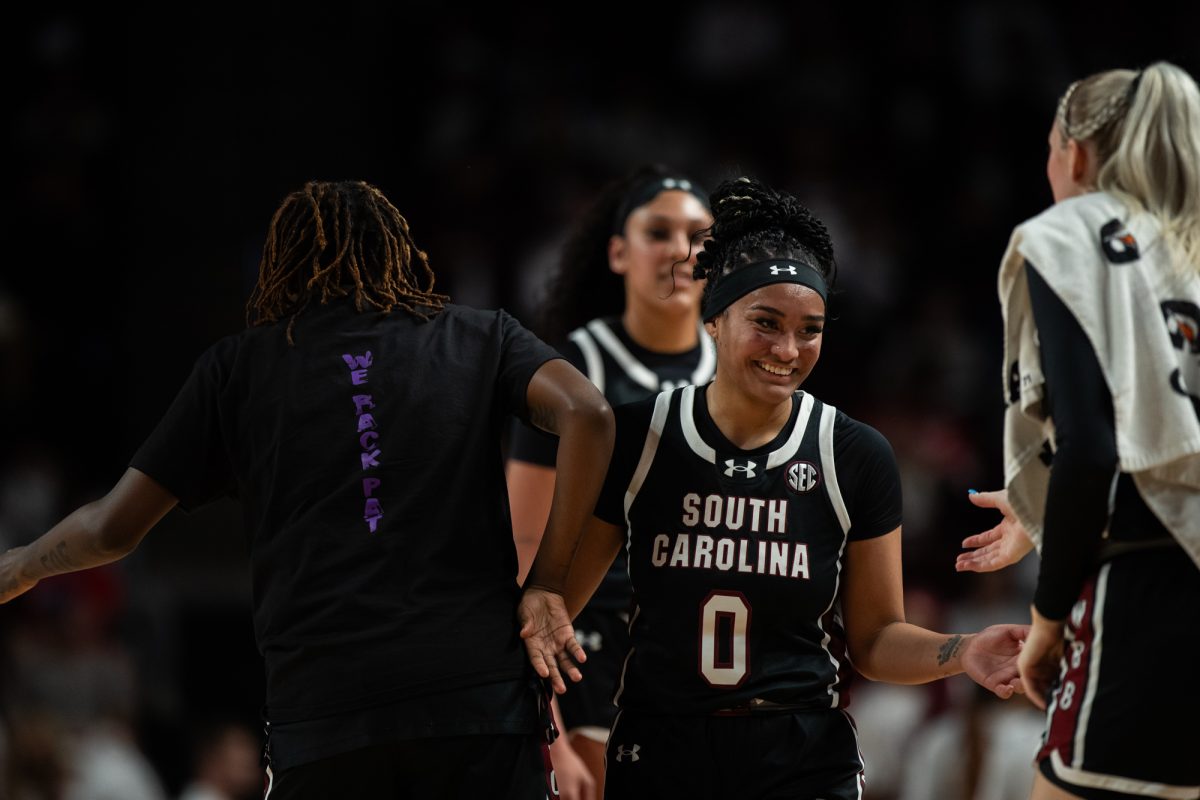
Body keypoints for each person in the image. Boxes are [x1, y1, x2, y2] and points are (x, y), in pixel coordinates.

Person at [0, 179, 614, 799]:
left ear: (281, 266)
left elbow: (112, 528)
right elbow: (589, 415)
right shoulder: (480, 336)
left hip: (325, 723)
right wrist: (548, 584)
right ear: (397, 254)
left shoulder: (236, 370)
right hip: (478, 707)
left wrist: (22, 566)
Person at [532, 175, 1028, 800]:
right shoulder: (637, 438)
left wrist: (964, 650)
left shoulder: (854, 454)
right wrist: (549, 724)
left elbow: (874, 641)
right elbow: (556, 611)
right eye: (765, 323)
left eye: (810, 328)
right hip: (662, 745)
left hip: (800, 753)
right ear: (713, 317)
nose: (788, 349)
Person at [957, 61, 1200, 799]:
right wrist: (1040, 509)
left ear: (1078, 154)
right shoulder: (1186, 248)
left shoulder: (1068, 232)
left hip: (1146, 595)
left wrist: (1047, 617)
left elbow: (1094, 451)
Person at [506, 163, 714, 797]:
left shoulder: (743, 365)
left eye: (699, 235)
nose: (680, 250)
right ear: (620, 252)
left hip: (705, 650)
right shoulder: (571, 369)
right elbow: (523, 552)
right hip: (593, 650)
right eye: (659, 232)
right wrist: (553, 734)